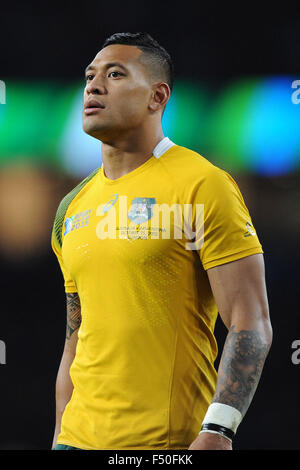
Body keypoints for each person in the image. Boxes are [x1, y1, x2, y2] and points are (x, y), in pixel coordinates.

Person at [51, 32, 272, 451]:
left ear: (157, 96)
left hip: (165, 444)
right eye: (90, 76)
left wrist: (220, 429)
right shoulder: (71, 207)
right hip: (76, 440)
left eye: (115, 75)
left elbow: (250, 321)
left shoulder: (203, 184)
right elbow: (75, 340)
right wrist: (60, 434)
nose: (93, 86)